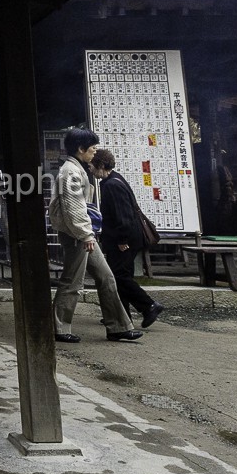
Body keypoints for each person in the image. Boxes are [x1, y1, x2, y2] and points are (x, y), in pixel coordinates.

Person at [50, 127, 139, 343]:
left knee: (106, 277)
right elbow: (74, 209)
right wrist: (86, 235)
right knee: (72, 282)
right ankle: (59, 328)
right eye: (92, 148)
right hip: (77, 235)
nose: (94, 152)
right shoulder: (70, 171)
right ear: (81, 149)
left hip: (83, 234)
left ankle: (118, 326)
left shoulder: (76, 168)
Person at [92, 148, 163, 328]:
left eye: (91, 165)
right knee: (121, 275)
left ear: (101, 165)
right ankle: (121, 315)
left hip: (124, 239)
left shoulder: (112, 185)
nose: (90, 169)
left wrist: (122, 240)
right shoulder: (114, 179)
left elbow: (123, 217)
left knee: (118, 277)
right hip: (127, 237)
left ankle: (149, 306)